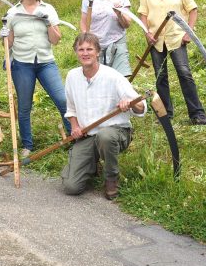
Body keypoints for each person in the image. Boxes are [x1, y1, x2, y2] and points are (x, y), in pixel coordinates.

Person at [62, 33, 146, 200]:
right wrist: (75, 126)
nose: (85, 53)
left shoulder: (113, 76)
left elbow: (142, 107)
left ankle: (111, 178)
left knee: (105, 136)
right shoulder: (72, 76)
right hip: (88, 135)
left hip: (116, 132)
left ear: (98, 52)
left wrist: (130, 103)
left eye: (89, 49)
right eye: (81, 49)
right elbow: (71, 109)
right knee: (71, 187)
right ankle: (92, 166)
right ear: (76, 52)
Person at [0, 0, 71, 157]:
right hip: (22, 64)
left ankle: (74, 137)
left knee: (63, 99)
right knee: (24, 106)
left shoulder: (48, 9)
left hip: (46, 62)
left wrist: (47, 22)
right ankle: (27, 145)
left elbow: (56, 40)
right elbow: (9, 43)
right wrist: (4, 37)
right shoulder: (13, 12)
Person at [138, 0, 206, 125]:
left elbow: (192, 10)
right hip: (156, 40)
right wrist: (146, 32)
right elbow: (143, 14)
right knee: (160, 76)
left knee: (185, 74)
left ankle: (197, 114)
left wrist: (189, 32)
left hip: (177, 37)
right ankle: (165, 115)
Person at [80, 0, 132, 75]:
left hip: (116, 43)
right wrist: (87, 42)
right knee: (98, 78)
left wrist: (119, 14)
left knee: (120, 78)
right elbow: (84, 23)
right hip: (94, 45)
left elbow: (127, 24)